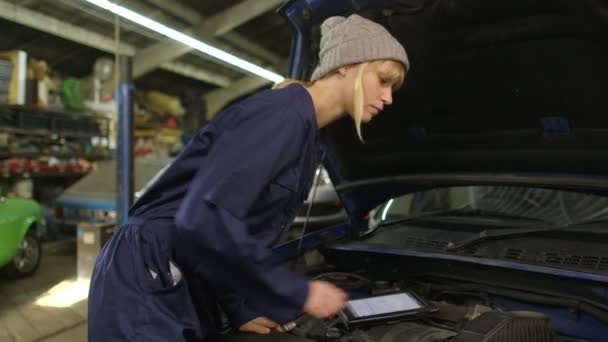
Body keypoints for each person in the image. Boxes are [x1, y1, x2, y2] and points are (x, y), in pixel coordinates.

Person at [88, 14, 409, 342]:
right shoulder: (282, 116)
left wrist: (240, 306)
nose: (388, 97)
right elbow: (205, 217)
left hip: (182, 272)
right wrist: (297, 291)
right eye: (383, 80)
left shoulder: (312, 139)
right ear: (345, 66)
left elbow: (232, 230)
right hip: (147, 272)